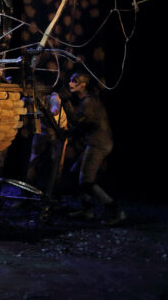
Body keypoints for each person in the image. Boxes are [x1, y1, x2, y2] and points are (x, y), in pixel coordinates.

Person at [60, 72, 126, 225]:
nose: (70, 83)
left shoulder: (89, 102)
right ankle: (87, 210)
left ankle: (115, 210)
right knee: (75, 173)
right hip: (94, 142)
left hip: (98, 144)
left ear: (83, 85)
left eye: (74, 81)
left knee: (87, 181)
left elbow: (76, 120)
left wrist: (66, 101)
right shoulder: (87, 100)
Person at [25, 90, 69, 191]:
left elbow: (55, 108)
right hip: (43, 129)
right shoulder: (31, 99)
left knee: (57, 164)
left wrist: (50, 112)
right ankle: (28, 189)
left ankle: (54, 190)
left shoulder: (53, 98)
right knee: (33, 160)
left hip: (59, 131)